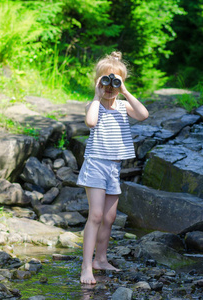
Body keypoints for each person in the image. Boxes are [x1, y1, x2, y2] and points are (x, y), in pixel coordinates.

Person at [76, 51, 149, 284]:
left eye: (115, 82)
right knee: (96, 215)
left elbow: (144, 115)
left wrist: (125, 91)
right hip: (96, 165)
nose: (110, 86)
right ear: (98, 82)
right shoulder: (94, 105)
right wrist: (97, 97)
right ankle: (86, 266)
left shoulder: (122, 105)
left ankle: (101, 259)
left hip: (113, 168)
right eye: (105, 81)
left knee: (109, 217)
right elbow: (90, 122)